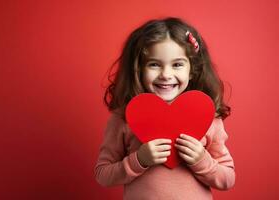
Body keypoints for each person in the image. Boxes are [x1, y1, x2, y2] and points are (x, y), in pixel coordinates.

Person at [94, 17, 235, 200]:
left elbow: (228, 179)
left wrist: (201, 160)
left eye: (177, 64)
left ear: (192, 70)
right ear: (138, 69)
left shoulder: (209, 119)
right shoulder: (123, 118)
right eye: (154, 64)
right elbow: (103, 175)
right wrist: (139, 160)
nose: (166, 75)